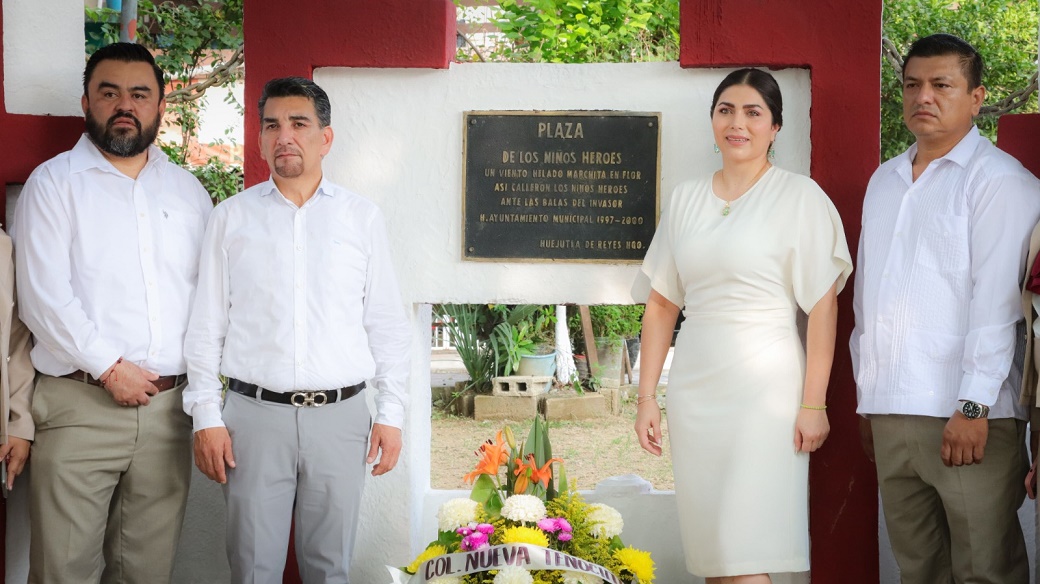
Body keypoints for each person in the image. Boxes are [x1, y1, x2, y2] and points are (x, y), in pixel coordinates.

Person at [184, 76, 411, 584]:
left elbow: (387, 324)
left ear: (325, 138)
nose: (284, 135)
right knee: (252, 569)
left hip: (343, 418)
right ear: (261, 139)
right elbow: (206, 327)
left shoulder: (361, 219)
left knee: (330, 569)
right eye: (272, 125)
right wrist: (205, 414)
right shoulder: (230, 219)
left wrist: (391, 413)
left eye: (298, 124)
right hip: (252, 418)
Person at [633, 68, 852, 582]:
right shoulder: (686, 199)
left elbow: (823, 310)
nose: (738, 123)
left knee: (745, 551)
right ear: (712, 119)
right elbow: (663, 305)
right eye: (726, 110)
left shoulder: (801, 198)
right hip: (695, 389)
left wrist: (813, 403)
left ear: (776, 126)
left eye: (754, 112)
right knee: (713, 554)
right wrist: (647, 396)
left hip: (764, 391)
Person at [12, 42, 213, 583]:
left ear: (160, 107)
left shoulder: (189, 192)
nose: (125, 104)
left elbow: (209, 300)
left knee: (146, 573)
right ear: (86, 102)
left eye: (139, 93)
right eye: (110, 92)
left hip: (170, 414)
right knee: (63, 570)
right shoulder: (53, 184)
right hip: (81, 407)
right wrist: (110, 367)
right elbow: (41, 296)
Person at [851, 33, 1040, 583]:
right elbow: (871, 297)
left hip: (971, 416)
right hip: (892, 409)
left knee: (985, 569)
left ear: (976, 98)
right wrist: (869, 396)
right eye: (912, 85)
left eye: (941, 85)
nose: (923, 97)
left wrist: (975, 405)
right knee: (918, 569)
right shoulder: (884, 180)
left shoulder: (1001, 181)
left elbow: (997, 302)